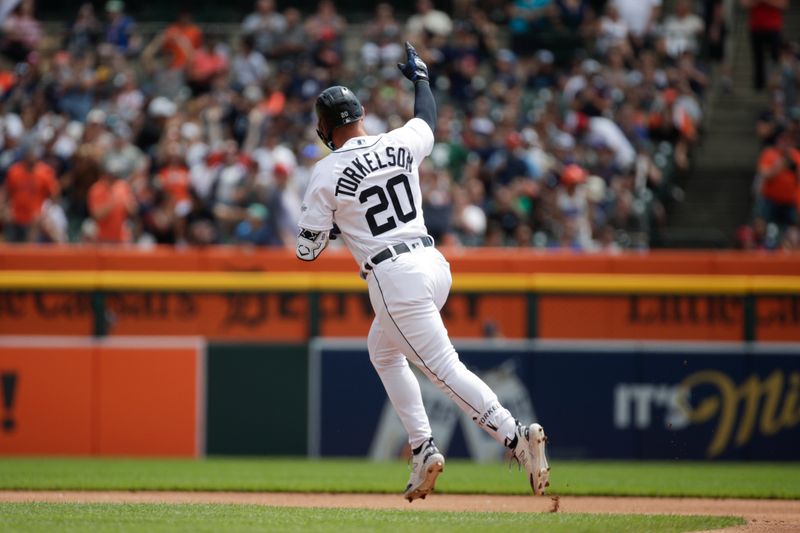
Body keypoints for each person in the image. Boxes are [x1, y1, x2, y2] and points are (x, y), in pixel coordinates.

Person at [295, 42, 550, 502]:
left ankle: (515, 436)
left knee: (444, 369)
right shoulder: (397, 140)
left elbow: (306, 251)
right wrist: (422, 80)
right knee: (384, 350)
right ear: (361, 113)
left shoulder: (327, 171)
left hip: (393, 276)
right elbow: (428, 120)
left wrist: (332, 225)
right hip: (433, 265)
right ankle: (423, 447)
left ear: (327, 128)